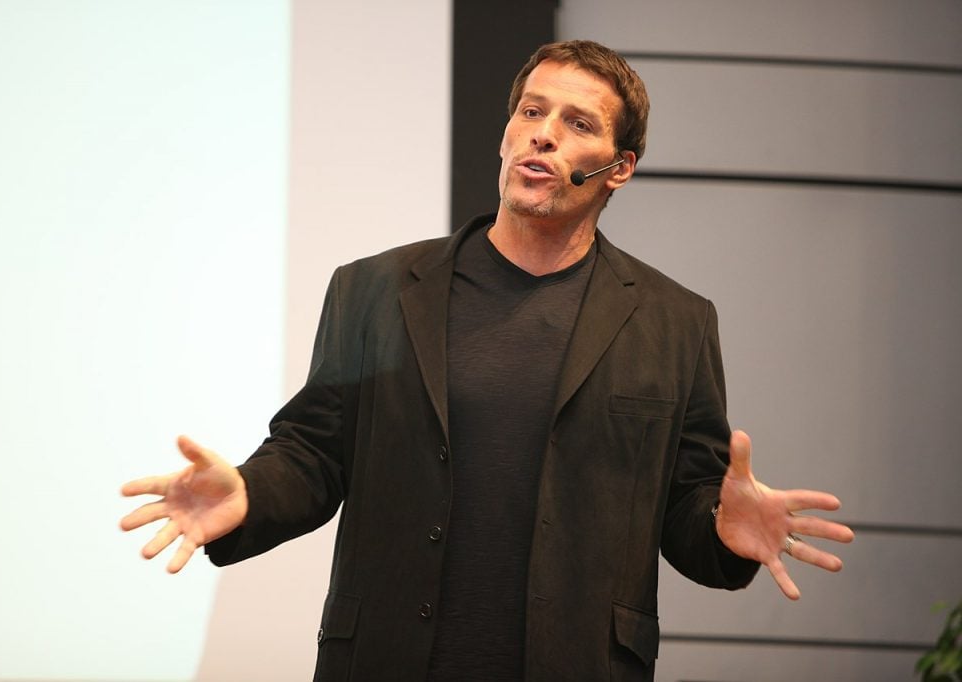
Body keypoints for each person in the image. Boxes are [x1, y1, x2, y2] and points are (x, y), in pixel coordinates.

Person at [121, 40, 854, 681]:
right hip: (385, 661)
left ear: (619, 167)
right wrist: (249, 492)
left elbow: (687, 510)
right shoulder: (375, 290)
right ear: (506, 135)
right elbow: (313, 453)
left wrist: (724, 530)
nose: (544, 134)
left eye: (578, 124)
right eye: (531, 112)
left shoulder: (674, 322)